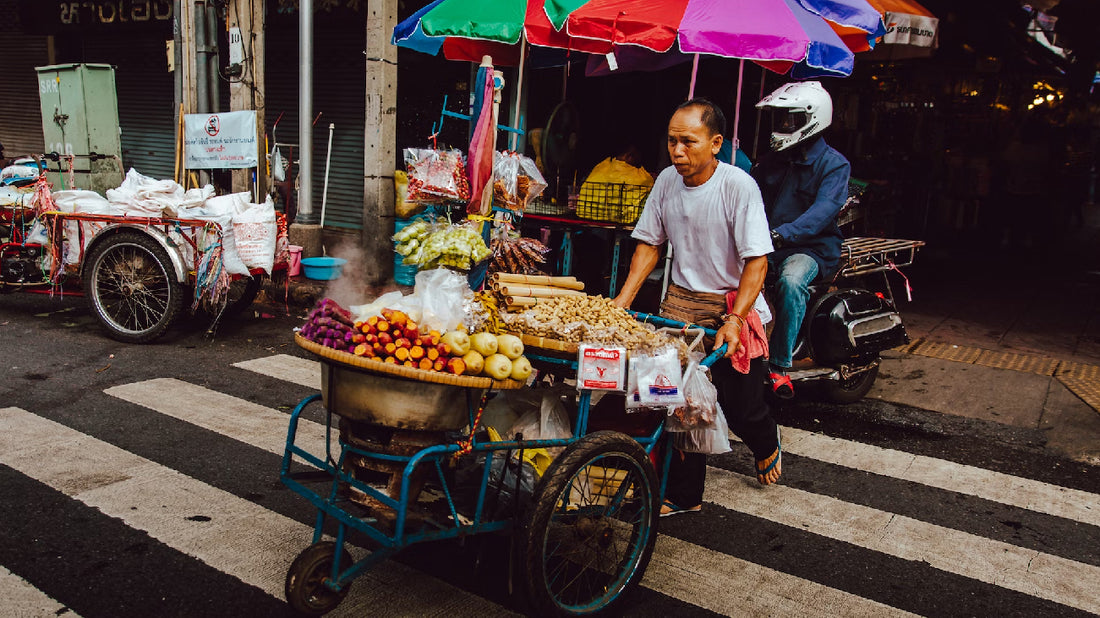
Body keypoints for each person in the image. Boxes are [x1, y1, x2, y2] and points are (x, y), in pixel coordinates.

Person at [612, 98, 783, 516]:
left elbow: (756, 261)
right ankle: (684, 495)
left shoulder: (738, 186)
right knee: (673, 401)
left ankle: (766, 441)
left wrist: (736, 319)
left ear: (716, 144)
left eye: (688, 142)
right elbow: (650, 244)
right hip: (680, 304)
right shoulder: (666, 181)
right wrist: (621, 302)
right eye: (672, 141)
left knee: (742, 408)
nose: (677, 151)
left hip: (732, 303)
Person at [751, 81, 850, 399]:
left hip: (811, 248)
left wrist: (783, 235)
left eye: (789, 120)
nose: (782, 127)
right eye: (780, 120)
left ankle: (779, 367)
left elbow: (823, 211)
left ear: (812, 119)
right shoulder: (771, 160)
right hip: (769, 243)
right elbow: (749, 196)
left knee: (791, 283)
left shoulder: (834, 164)